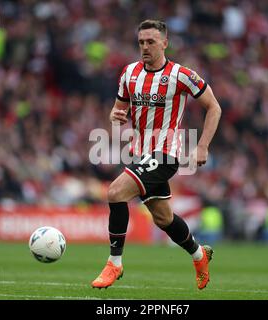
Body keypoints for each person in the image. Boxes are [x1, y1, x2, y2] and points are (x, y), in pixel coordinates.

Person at [91, 20, 222, 290]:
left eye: (151, 42)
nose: (145, 47)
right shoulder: (129, 73)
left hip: (166, 153)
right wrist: (115, 117)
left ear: (165, 43)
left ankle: (114, 263)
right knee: (163, 218)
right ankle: (199, 256)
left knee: (116, 192)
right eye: (141, 42)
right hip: (140, 153)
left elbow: (214, 107)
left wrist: (202, 145)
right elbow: (118, 113)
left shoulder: (181, 75)